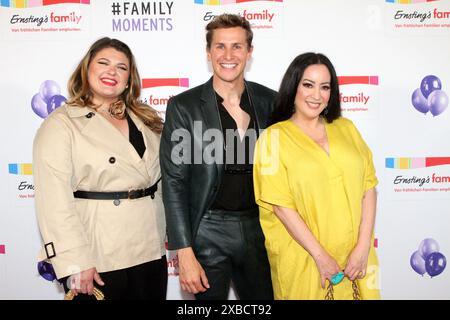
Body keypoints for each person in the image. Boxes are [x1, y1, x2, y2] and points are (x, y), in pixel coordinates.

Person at [33, 37, 167, 300]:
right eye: (103, 63)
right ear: (86, 69)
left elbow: (164, 182)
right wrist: (74, 261)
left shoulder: (146, 119)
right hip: (97, 257)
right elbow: (53, 202)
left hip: (150, 250)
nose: (111, 71)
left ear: (129, 79)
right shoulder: (61, 124)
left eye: (121, 67)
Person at [160, 14, 274, 300]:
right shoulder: (184, 106)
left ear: (249, 52)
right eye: (220, 46)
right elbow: (174, 182)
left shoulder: (270, 101)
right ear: (208, 52)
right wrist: (184, 252)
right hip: (207, 230)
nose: (228, 55)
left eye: (237, 46)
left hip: (260, 229)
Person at [253, 52, 380, 300]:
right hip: (306, 258)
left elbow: (369, 186)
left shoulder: (347, 128)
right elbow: (280, 206)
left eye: (325, 87)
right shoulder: (272, 139)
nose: (316, 95)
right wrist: (320, 256)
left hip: (357, 258)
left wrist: (363, 247)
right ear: (293, 87)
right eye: (308, 85)